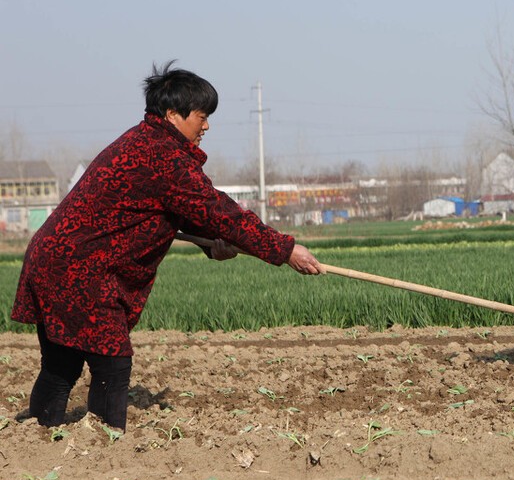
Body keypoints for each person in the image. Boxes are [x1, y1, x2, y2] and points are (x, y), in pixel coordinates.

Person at [10, 61, 322, 432]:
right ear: (174, 115)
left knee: (62, 363)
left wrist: (212, 246)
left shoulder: (145, 142)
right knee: (112, 360)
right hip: (81, 271)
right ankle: (103, 446)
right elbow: (220, 212)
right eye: (202, 116)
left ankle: (40, 435)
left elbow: (186, 213)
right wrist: (285, 250)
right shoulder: (163, 156)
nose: (206, 126)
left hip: (56, 261)